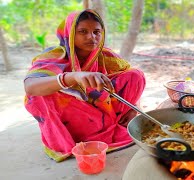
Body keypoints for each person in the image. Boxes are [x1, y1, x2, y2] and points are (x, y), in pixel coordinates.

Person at [24, 9, 145, 162]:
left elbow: (132, 82)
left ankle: (108, 127)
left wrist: (133, 108)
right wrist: (73, 77)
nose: (91, 37)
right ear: (70, 33)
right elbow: (31, 87)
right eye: (83, 31)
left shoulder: (105, 56)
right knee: (39, 97)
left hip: (103, 112)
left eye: (96, 32)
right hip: (74, 114)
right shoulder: (55, 56)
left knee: (135, 75)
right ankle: (76, 137)